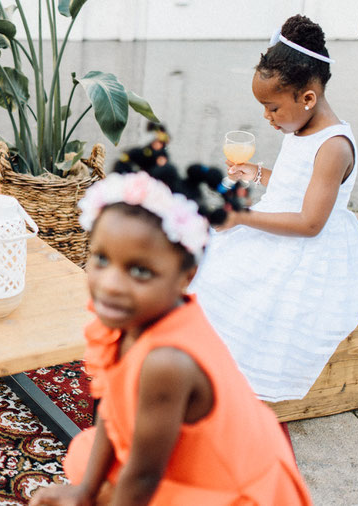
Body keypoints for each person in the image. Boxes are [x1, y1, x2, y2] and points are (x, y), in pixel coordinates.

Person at [29, 164, 310, 506]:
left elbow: (143, 476)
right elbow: (112, 409)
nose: (111, 285)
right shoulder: (131, 317)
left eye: (139, 271)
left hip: (231, 490)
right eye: (102, 258)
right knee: (86, 460)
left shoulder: (167, 363)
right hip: (177, 462)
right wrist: (85, 492)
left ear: (185, 277)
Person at [190, 15, 358, 402]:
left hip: (307, 243)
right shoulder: (302, 127)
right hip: (278, 223)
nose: (267, 117)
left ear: (307, 98)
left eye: (272, 108)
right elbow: (298, 181)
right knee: (200, 260)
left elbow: (311, 221)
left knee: (231, 285)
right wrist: (259, 172)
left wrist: (242, 217)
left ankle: (223, 380)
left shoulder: (334, 145)